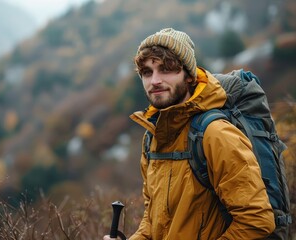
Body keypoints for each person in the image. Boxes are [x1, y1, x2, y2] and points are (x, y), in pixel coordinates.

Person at [103, 28, 275, 239]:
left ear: (188, 77)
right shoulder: (153, 138)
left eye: (166, 69)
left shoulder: (215, 134)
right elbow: (153, 220)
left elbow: (256, 221)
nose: (155, 80)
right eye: (147, 72)